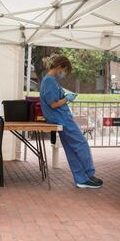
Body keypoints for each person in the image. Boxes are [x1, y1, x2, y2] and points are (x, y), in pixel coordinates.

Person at [40, 55, 103, 189]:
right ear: (60, 67)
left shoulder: (50, 80)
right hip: (61, 118)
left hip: (60, 118)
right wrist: (67, 99)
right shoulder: (50, 81)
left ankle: (81, 179)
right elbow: (53, 104)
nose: (65, 74)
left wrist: (64, 97)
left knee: (71, 149)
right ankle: (88, 175)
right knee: (81, 144)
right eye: (65, 70)